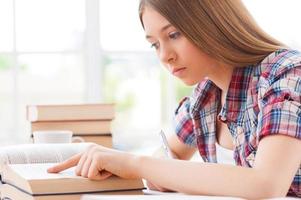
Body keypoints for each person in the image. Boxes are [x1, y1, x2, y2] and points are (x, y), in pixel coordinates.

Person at [47, 0, 301, 198]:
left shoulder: (286, 73)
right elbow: (167, 158)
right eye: (154, 44)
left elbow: (267, 183)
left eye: (174, 35)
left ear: (213, 22)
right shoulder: (206, 97)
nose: (165, 56)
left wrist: (136, 164)